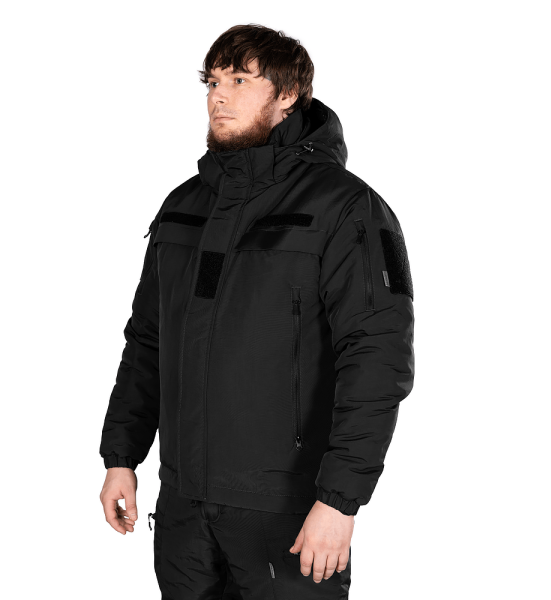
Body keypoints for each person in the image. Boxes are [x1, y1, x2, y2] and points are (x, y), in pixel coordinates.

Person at [99, 23, 415, 599]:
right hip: (184, 511)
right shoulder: (184, 205)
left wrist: (340, 501)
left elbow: (376, 361)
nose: (219, 96)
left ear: (288, 94)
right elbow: (147, 340)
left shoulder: (347, 209)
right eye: (213, 82)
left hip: (288, 513)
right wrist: (122, 455)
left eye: (240, 80)